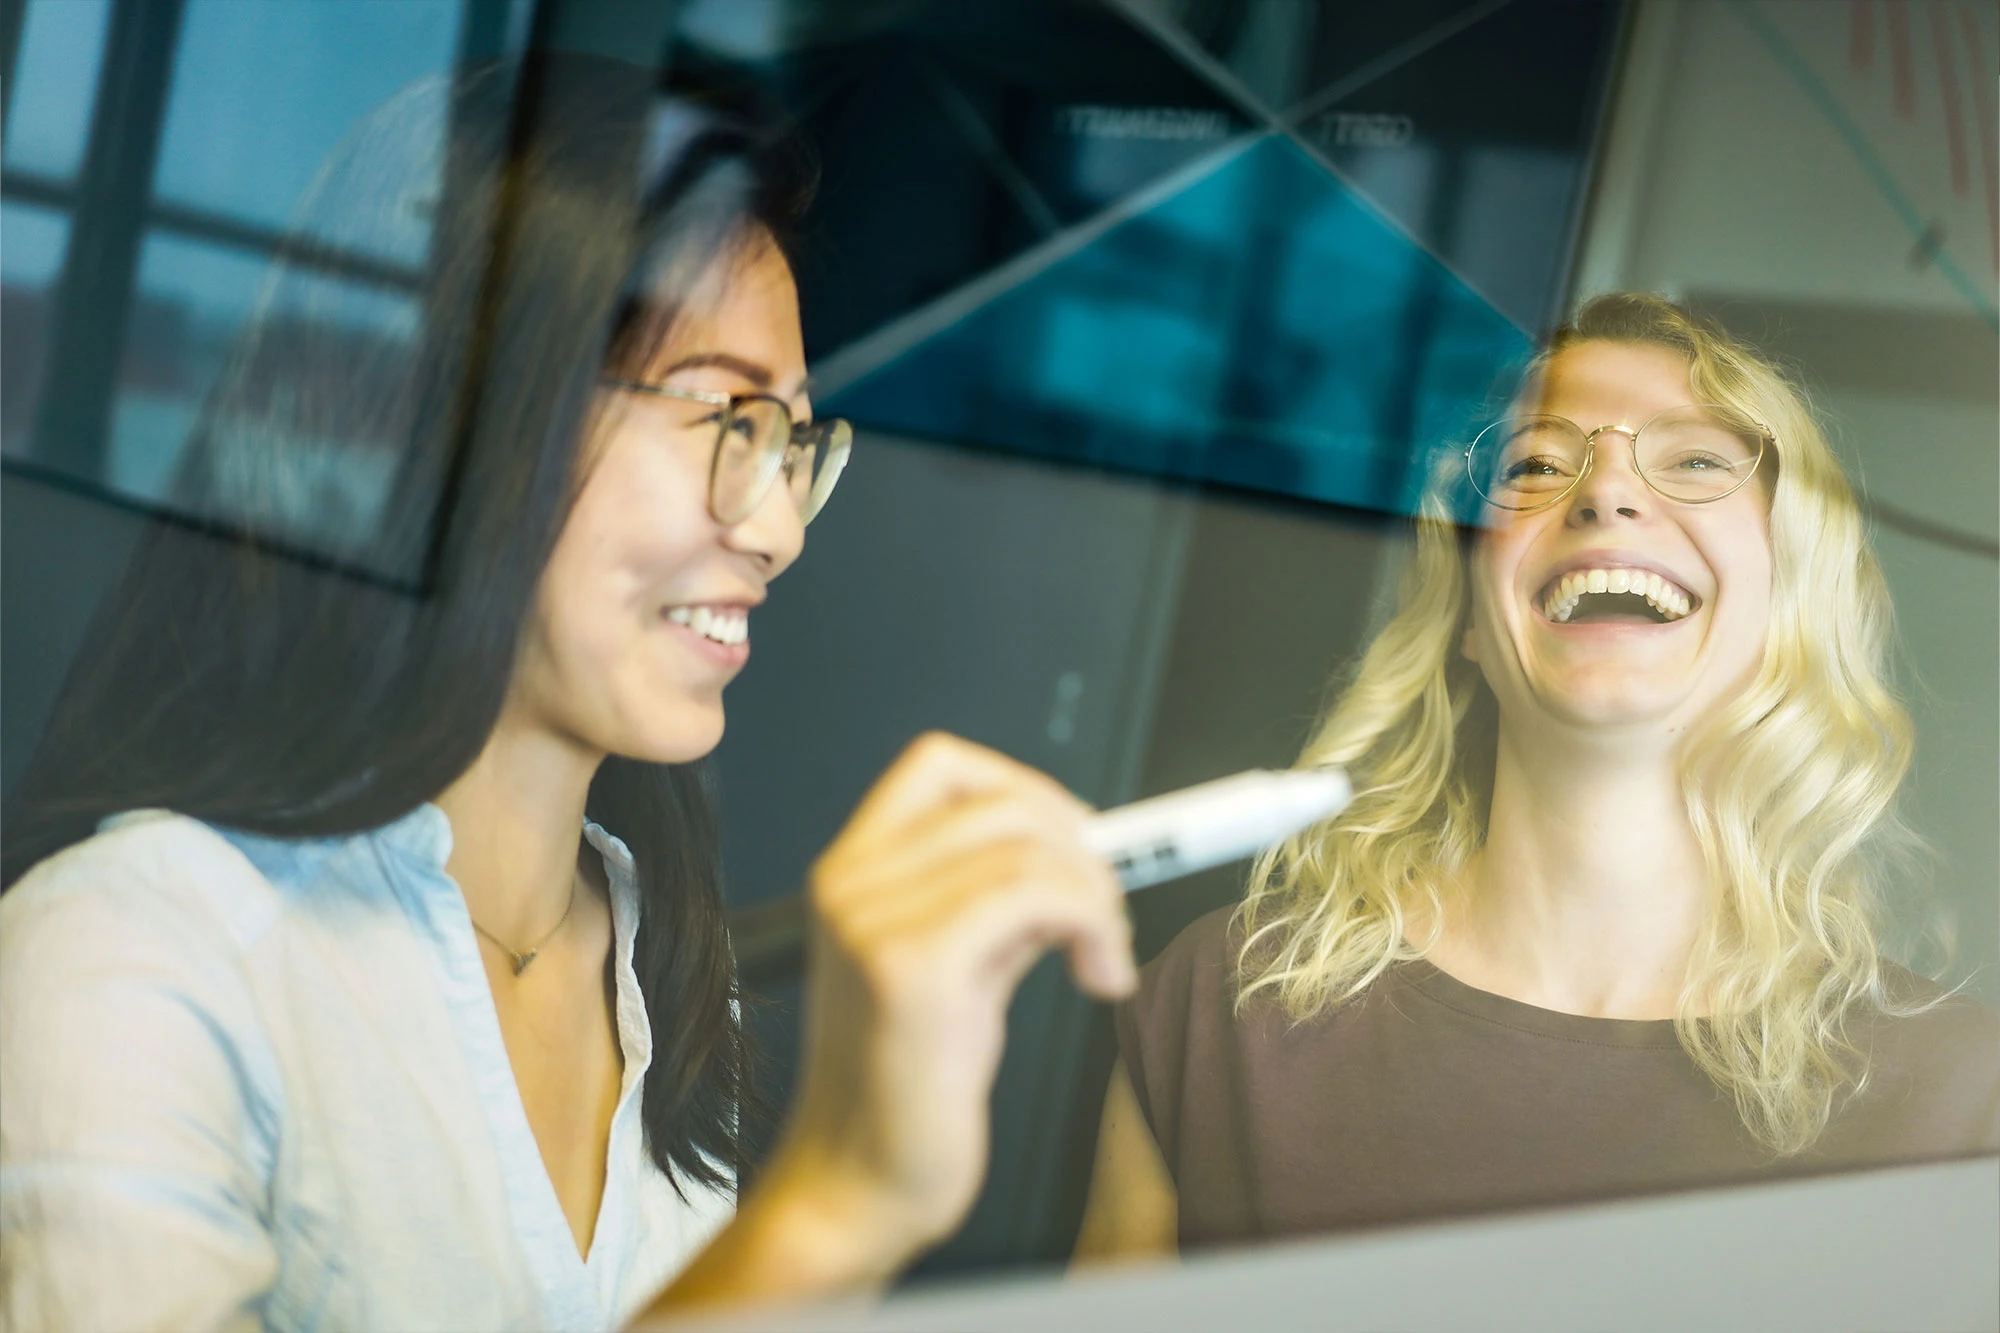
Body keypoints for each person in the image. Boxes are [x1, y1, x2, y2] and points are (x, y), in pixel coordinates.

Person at [0, 61, 1134, 1330]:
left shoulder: (673, 969)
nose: (776, 531)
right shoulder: (136, 958)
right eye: (728, 418)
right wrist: (835, 1205)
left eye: (793, 442)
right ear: (455, 419)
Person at [1074, 293, 2000, 1261]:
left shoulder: (1961, 1104)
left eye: (1693, 460)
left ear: (1790, 603)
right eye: (1535, 466)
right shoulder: (1224, 1006)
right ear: (1469, 618)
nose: (1605, 495)